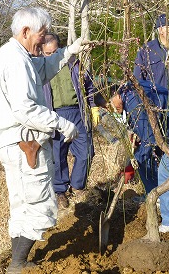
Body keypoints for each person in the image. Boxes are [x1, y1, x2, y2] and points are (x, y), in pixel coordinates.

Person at [0, 7, 84, 273]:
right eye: (41, 34)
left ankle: (18, 262)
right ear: (25, 31)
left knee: (22, 205)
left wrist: (69, 51)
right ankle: (18, 265)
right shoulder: (15, 61)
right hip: (24, 144)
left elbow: (43, 69)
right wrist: (61, 123)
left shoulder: (16, 54)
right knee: (39, 205)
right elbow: (25, 109)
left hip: (15, 144)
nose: (43, 39)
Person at [109, 80, 169, 233]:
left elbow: (150, 139)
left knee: (166, 168)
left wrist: (135, 156)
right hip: (166, 128)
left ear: (116, 95)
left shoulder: (134, 100)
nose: (110, 110)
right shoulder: (127, 93)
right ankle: (155, 198)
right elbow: (145, 131)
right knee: (142, 160)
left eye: (109, 105)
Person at [41, 33, 99, 208]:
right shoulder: (40, 68)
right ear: (42, 52)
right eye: (48, 53)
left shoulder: (73, 63)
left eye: (55, 51)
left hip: (77, 112)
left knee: (87, 152)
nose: (52, 56)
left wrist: (94, 106)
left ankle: (78, 185)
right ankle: (60, 191)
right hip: (54, 115)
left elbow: (88, 86)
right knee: (57, 155)